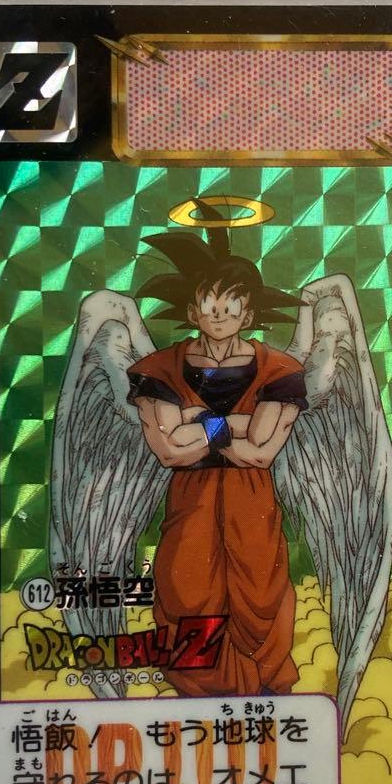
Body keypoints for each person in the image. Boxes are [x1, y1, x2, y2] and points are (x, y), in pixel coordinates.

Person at [126, 212, 307, 696]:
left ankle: (263, 697)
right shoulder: (159, 369)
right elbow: (168, 451)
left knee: (261, 595)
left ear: (248, 314)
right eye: (209, 302)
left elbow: (262, 455)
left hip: (253, 506)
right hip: (191, 504)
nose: (219, 313)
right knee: (186, 592)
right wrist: (236, 426)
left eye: (232, 303)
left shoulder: (280, 370)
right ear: (193, 311)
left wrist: (201, 423)